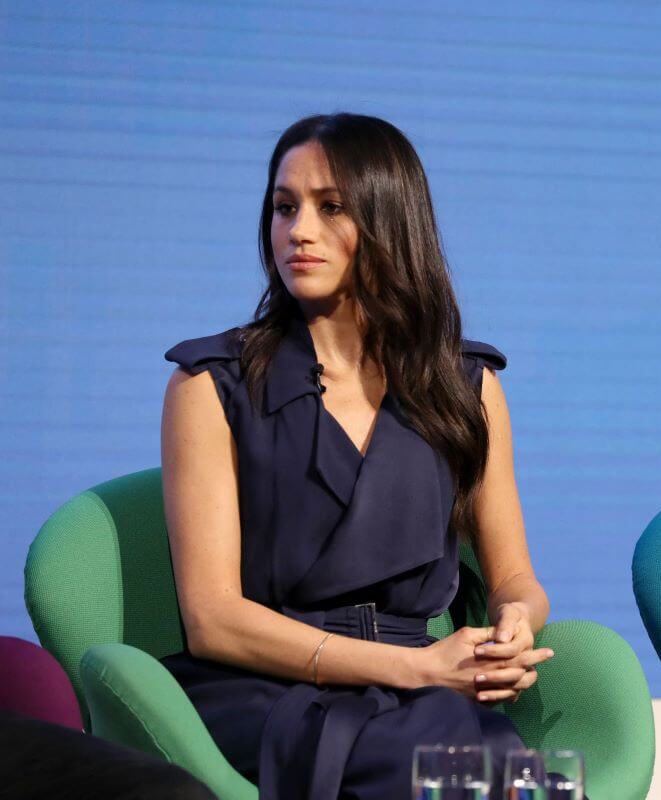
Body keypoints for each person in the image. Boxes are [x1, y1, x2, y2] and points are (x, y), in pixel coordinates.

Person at [159, 113, 554, 800]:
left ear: (390, 220)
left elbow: (516, 576)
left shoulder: (466, 385)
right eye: (284, 208)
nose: (298, 231)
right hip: (270, 690)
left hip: (426, 689)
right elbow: (212, 619)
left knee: (520, 778)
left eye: (330, 207)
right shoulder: (210, 382)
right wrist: (417, 670)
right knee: (471, 779)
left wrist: (514, 624)